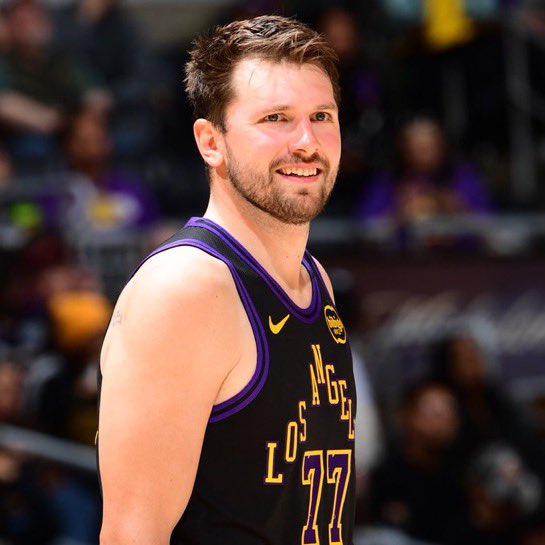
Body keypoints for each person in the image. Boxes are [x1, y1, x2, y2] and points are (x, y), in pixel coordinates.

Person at [97, 14, 356, 545]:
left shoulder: (314, 279)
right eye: (276, 118)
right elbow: (131, 534)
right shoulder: (185, 290)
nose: (306, 141)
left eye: (321, 116)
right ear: (210, 141)